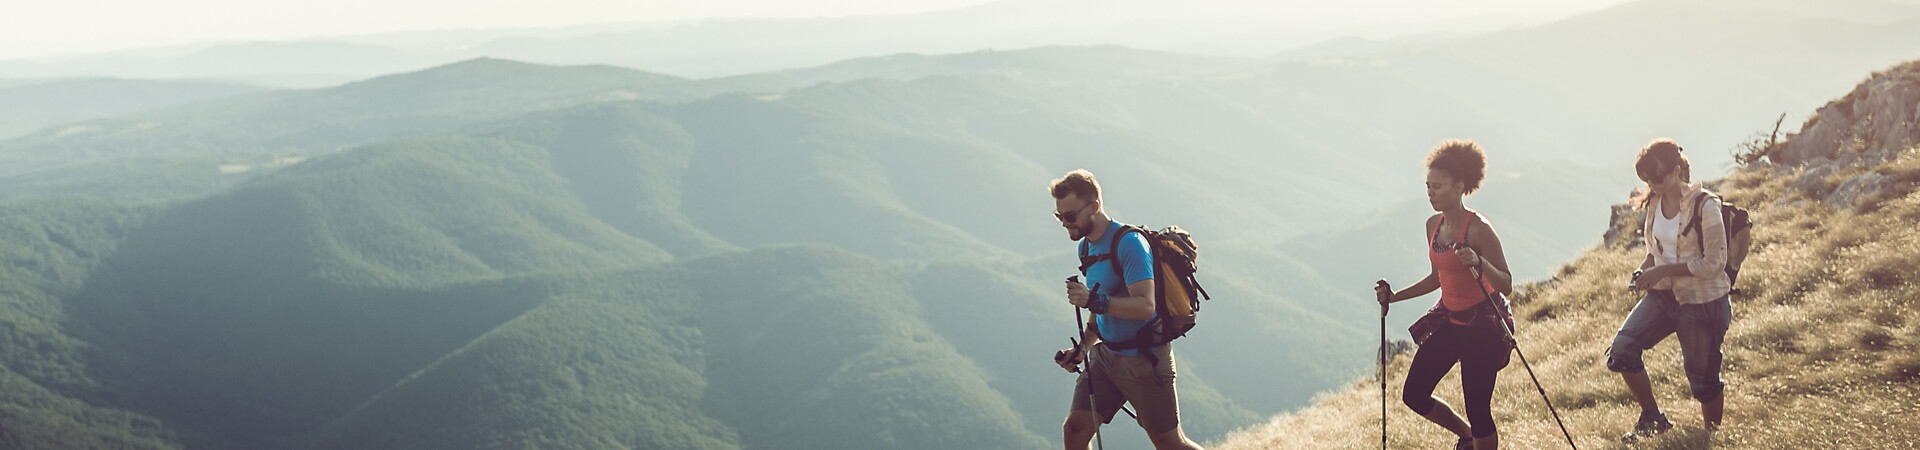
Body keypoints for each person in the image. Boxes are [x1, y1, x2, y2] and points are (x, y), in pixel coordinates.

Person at [1375, 140, 1515, 450]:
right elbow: (1437, 279)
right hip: (1451, 319)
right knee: (1414, 393)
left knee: (1479, 410)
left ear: (1459, 186)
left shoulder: (1478, 229)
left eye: (1437, 186)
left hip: (1483, 324)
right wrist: (1394, 297)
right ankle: (1466, 437)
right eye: (1428, 186)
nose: (1430, 193)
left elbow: (1506, 284)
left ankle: (1475, 437)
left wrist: (1479, 263)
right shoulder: (1433, 226)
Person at [1050, 169, 1203, 450]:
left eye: (1070, 216)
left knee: (1170, 444)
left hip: (1144, 362)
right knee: (1074, 430)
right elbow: (1102, 307)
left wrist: (1091, 301)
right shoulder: (1085, 247)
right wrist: (1082, 347)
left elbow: (1146, 305)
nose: (1064, 223)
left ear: (1094, 206)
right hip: (1106, 357)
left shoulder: (1129, 244)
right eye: (1059, 216)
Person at [1608, 138, 1733, 441]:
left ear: (1677, 171)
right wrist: (1645, 270)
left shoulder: (1705, 205)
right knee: (1622, 351)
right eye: (1647, 177)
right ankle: (1653, 418)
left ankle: (1709, 438)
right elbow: (1656, 251)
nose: (1653, 182)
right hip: (1663, 295)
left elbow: (1715, 262)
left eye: (1659, 176)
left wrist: (1663, 270)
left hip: (1702, 301)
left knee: (1702, 379)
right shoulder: (1653, 201)